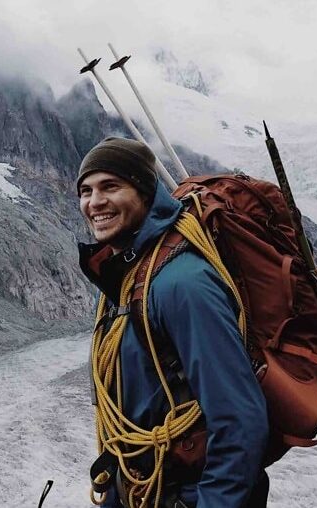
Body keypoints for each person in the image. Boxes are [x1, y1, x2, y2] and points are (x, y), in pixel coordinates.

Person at [76, 137, 270, 507]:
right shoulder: (123, 279)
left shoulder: (183, 283)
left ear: (146, 192)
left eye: (110, 186)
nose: (94, 202)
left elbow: (239, 420)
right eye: (86, 190)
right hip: (143, 491)